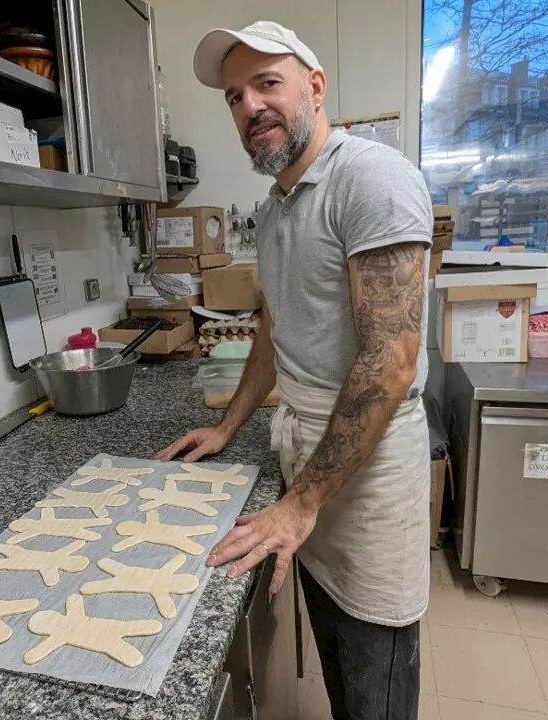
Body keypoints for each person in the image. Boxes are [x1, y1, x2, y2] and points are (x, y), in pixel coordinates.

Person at [154, 21, 433, 720]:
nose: (250, 106)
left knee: (376, 669)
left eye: (267, 83)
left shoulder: (372, 180)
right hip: (302, 445)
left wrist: (301, 503)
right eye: (234, 96)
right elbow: (274, 330)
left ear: (314, 86)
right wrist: (229, 425)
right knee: (334, 641)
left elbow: (389, 361)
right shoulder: (276, 206)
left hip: (368, 468)